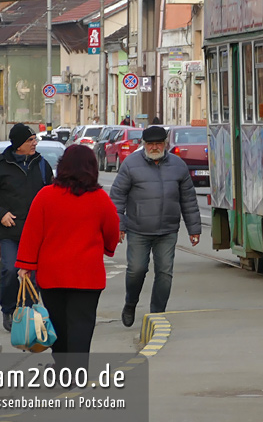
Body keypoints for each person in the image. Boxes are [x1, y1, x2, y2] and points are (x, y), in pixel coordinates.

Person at [14, 145, 118, 356]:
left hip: (52, 275)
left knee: (57, 325)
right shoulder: (100, 198)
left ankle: (63, 369)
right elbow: (112, 230)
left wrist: (25, 266)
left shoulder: (45, 196)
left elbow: (32, 232)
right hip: (88, 276)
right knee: (82, 326)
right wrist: (108, 247)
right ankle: (78, 373)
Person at [110, 125, 201, 327]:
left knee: (165, 273)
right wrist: (119, 224)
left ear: (165, 144)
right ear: (144, 145)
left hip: (167, 230)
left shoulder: (178, 166)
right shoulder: (130, 164)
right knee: (136, 270)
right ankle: (130, 303)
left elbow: (188, 199)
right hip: (138, 229)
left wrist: (194, 229)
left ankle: (157, 314)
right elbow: (117, 197)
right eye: (150, 144)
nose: (154, 147)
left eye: (158, 143)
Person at [0, 123, 54, 332]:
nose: (34, 143)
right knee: (11, 270)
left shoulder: (42, 165)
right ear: (18, 144)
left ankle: (28, 312)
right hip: (10, 230)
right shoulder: (0, 165)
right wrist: (1, 214)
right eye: (30, 140)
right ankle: (8, 309)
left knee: (33, 276)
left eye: (35, 139)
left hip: (36, 231)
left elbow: (51, 193)